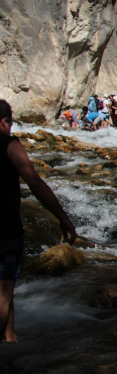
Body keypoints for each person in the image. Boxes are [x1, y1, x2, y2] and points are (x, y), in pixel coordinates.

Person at [1, 100, 77, 343]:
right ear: (5, 122)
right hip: (5, 229)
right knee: (3, 292)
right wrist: (63, 218)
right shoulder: (10, 145)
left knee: (6, 289)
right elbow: (35, 183)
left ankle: (10, 336)